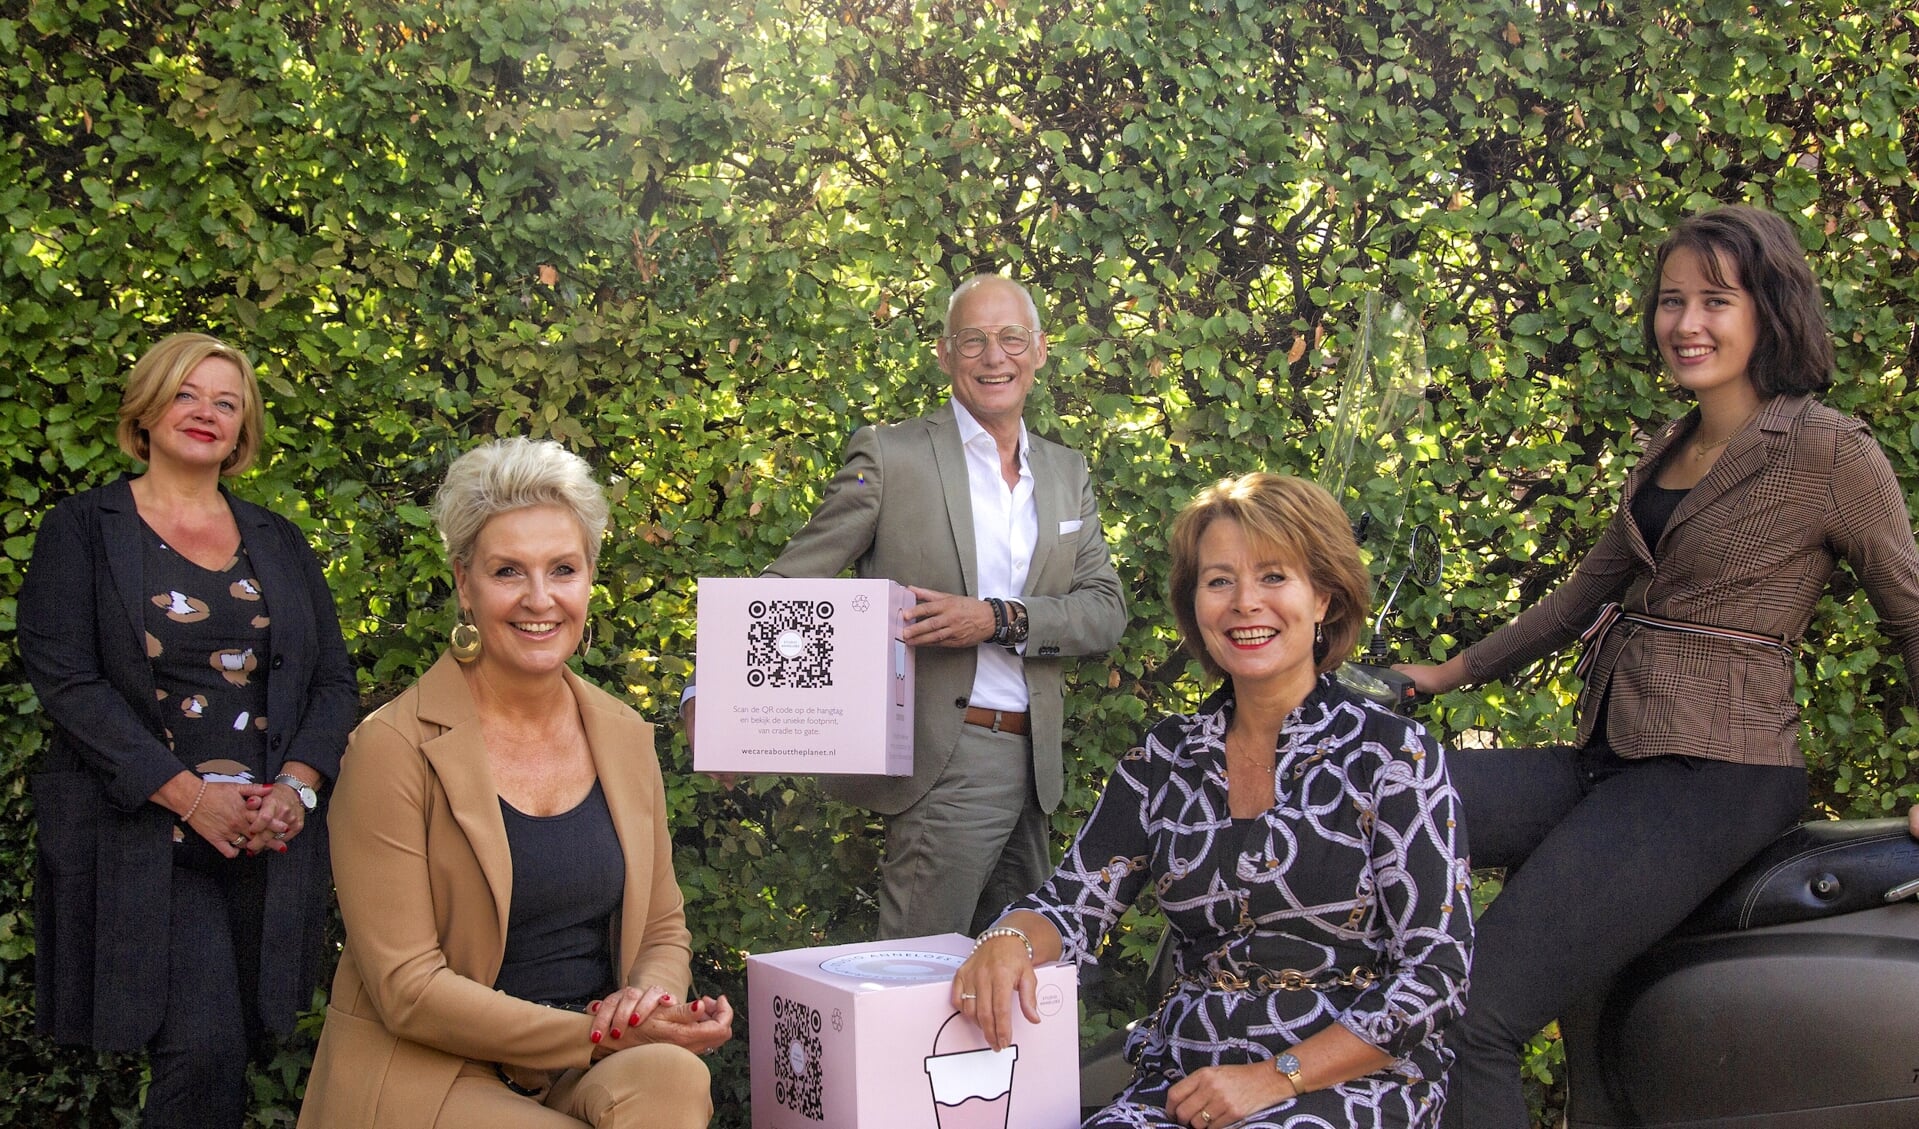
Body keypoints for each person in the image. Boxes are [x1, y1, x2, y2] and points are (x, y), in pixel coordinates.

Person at [1394, 204, 1919, 1129]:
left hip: (1720, 773)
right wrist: (1449, 671)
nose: (1686, 323)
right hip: (1617, 755)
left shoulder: (1829, 450)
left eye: (1714, 299)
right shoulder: (1668, 449)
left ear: (1768, 309)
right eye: (1671, 300)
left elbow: (1912, 614)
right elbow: (1580, 597)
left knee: (1473, 1010)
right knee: (1389, 798)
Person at [955, 472, 1472, 1129]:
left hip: (1347, 1078)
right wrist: (1008, 938)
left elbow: (1436, 974)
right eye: (1219, 580)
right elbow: (1071, 902)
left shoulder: (1391, 755)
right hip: (1187, 1074)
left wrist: (1272, 1077)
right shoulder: (1167, 756)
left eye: (1274, 577)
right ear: (1194, 602)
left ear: (1324, 599)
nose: (1244, 603)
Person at [296, 438, 731, 1129]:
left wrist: (650, 1004)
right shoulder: (391, 748)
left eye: (562, 568)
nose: (539, 599)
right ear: (465, 583)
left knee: (672, 1078)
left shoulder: (622, 733)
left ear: (590, 577)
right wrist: (605, 1032)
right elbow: (408, 989)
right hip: (432, 1069)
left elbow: (662, 926)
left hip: (581, 1062)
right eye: (508, 571)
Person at [689, 274, 1127, 939]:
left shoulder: (1066, 473)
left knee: (1022, 973)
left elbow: (1103, 611)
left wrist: (996, 617)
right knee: (918, 978)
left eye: (1011, 338)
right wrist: (710, 694)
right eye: (971, 340)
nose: (993, 357)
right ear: (943, 354)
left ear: (1039, 350)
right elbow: (791, 580)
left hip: (1037, 768)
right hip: (941, 761)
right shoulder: (890, 457)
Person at [17, 333, 357, 1129]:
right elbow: (67, 681)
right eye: (186, 394)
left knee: (227, 1055)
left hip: (266, 843)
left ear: (243, 432)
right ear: (148, 406)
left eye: (226, 403)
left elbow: (332, 681)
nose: (205, 413)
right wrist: (190, 797)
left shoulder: (278, 539)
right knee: (201, 1050)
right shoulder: (83, 528)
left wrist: (299, 788)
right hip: (146, 837)